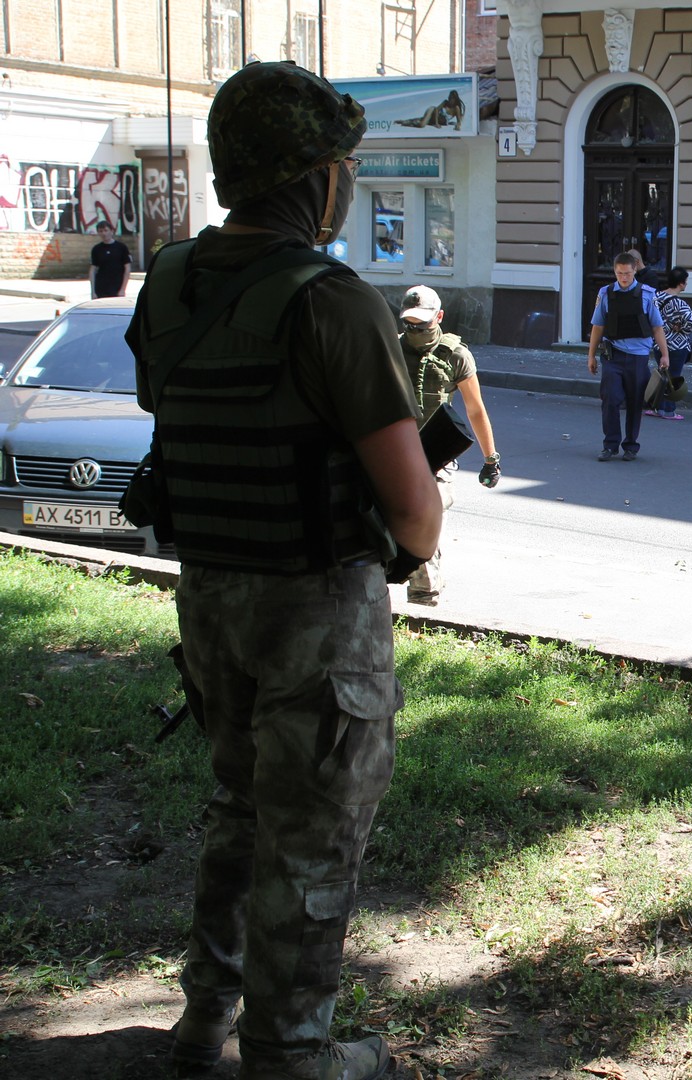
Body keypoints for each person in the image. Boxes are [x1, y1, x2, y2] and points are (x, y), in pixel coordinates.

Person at [124, 61, 442, 1080]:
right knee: (311, 837)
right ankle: (291, 1054)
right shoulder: (332, 301)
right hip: (316, 612)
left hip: (212, 599)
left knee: (240, 807)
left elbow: (192, 418)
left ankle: (204, 1017)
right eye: (341, 164)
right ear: (315, 176)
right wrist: (402, 534)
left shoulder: (170, 281)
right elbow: (415, 516)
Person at [398, 283, 501, 606]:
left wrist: (491, 459)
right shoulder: (390, 349)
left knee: (424, 517)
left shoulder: (455, 355)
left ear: (439, 317)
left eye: (422, 323)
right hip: (395, 450)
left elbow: (475, 409)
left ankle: (424, 594)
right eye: (409, 324)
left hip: (435, 454)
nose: (415, 330)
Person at [587, 250, 669, 461]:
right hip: (612, 356)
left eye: (627, 273)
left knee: (635, 402)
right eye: (619, 273)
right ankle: (610, 445)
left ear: (635, 271)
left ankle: (631, 445)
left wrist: (664, 355)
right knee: (610, 399)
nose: (623, 277)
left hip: (638, 357)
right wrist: (591, 356)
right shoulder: (606, 293)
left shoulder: (647, 294)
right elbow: (598, 326)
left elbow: (657, 327)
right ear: (615, 272)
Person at [647, 266, 692, 420]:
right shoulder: (680, 304)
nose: (686, 284)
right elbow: (690, 323)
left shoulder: (656, 297)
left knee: (662, 376)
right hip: (676, 346)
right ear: (681, 283)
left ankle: (658, 407)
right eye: (686, 281)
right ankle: (669, 410)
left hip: (658, 344)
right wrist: (679, 328)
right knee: (673, 378)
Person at [89, 220, 131, 298]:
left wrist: (123, 289)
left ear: (111, 231)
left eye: (106, 230)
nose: (104, 233)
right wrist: (93, 291)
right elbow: (92, 270)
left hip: (117, 288)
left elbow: (127, 269)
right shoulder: (96, 249)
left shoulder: (121, 247)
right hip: (100, 288)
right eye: (100, 231)